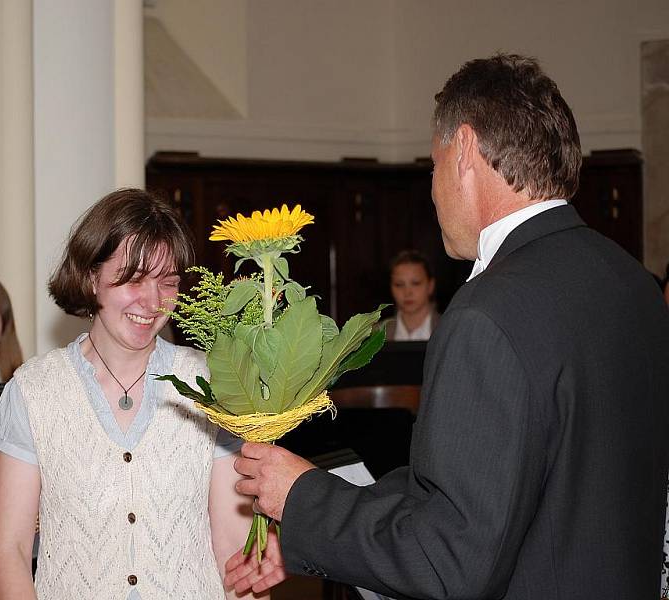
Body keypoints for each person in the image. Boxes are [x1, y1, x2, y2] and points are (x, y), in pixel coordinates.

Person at [225, 54, 669, 599]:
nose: (432, 192)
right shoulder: (631, 281)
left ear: (462, 150)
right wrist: (302, 538)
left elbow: (451, 560)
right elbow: (508, 492)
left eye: (432, 168)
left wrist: (301, 498)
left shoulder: (487, 313)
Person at [0, 189, 257, 600]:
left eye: (167, 282)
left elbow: (234, 552)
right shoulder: (34, 391)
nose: (152, 302)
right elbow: (11, 551)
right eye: (133, 279)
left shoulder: (213, 383)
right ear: (92, 276)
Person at [379, 250, 439, 341]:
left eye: (416, 283)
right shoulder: (375, 335)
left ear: (430, 285)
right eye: (399, 284)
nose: (407, 292)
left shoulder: (451, 328)